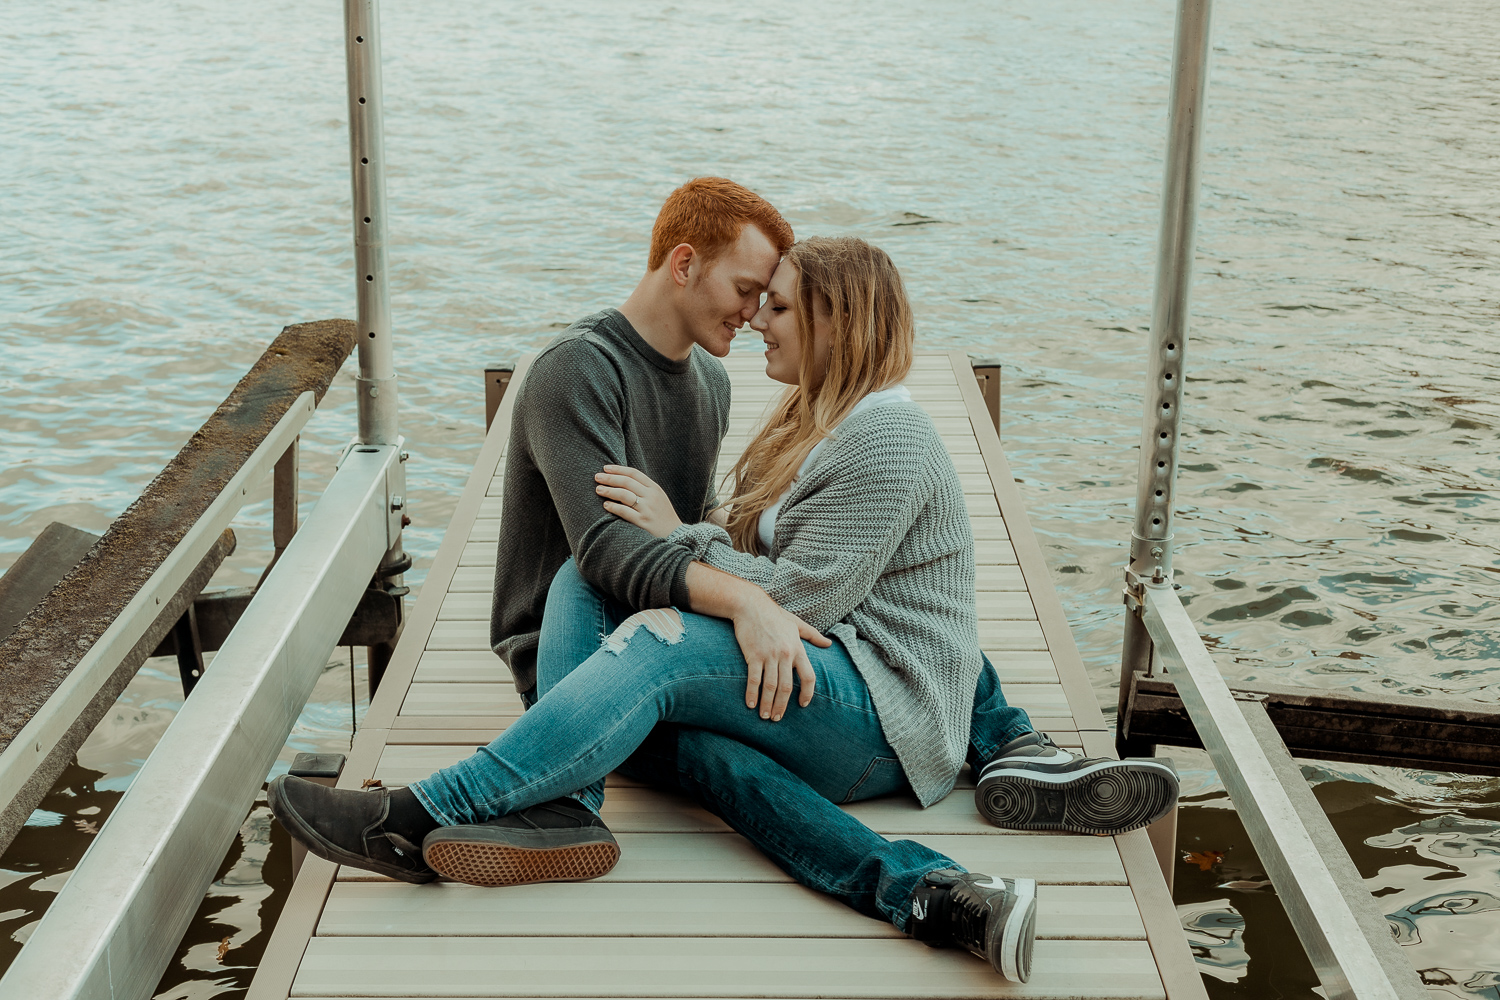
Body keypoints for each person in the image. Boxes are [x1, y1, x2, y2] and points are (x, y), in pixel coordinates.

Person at [269, 224, 1178, 982]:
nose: (757, 324)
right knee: (592, 595)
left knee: (658, 646)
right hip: (825, 685)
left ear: (835, 321)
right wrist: (701, 549)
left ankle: (422, 814)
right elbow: (755, 568)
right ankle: (914, 888)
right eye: (759, 301)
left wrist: (677, 534)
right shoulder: (807, 424)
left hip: (879, 717)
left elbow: (797, 598)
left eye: (777, 308)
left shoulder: (888, 436)